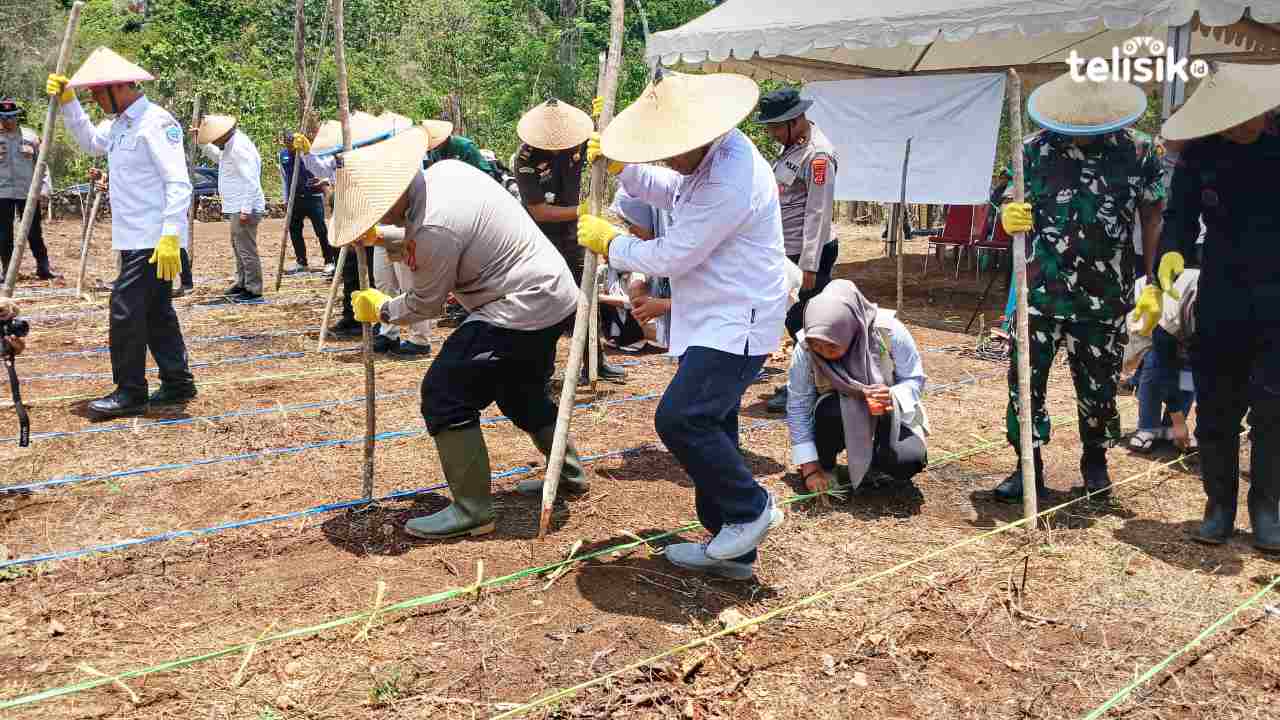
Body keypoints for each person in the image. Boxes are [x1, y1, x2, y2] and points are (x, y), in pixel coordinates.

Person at [581, 70, 789, 580]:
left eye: (674, 149)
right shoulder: (709, 157)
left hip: (738, 318)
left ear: (703, 134)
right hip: (718, 312)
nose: (669, 159)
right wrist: (626, 169)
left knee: (682, 419)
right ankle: (733, 549)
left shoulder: (731, 175)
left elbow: (674, 254)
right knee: (715, 424)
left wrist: (611, 244)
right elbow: (675, 191)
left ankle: (749, 510)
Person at [335, 127, 587, 538]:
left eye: (379, 212)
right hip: (549, 291)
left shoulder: (434, 226)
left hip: (519, 303)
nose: (378, 220)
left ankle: (473, 510)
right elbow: (443, 235)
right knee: (519, 393)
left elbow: (424, 304)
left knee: (445, 395)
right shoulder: (445, 173)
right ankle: (570, 474)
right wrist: (385, 236)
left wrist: (380, 308)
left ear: (396, 193)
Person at [993, 71, 1164, 503]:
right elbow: (1005, 198)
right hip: (1039, 293)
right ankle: (1026, 464)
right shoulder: (1031, 150)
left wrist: (1155, 282)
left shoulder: (1139, 151)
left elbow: (1153, 215)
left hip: (1104, 296)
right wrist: (1007, 215)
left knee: (1100, 388)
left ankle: (1095, 461)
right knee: (1025, 382)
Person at [1137, 63, 1280, 552]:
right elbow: (1177, 217)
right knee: (1217, 411)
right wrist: (1171, 254)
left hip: (1277, 302)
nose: (1243, 126)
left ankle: (1267, 508)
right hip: (1219, 298)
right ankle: (1218, 505)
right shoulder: (1201, 156)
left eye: (1251, 117)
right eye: (1232, 119)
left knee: (1272, 411)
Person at [46, 47, 196, 419]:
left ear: (120, 88)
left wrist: (171, 236)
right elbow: (90, 143)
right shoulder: (119, 125)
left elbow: (179, 183)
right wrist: (68, 103)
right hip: (134, 237)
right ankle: (178, 382)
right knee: (156, 311)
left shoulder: (156, 123)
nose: (94, 99)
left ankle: (130, 391)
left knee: (125, 310)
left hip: (153, 238)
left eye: (97, 92)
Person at [514, 98, 626, 384]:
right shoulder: (525, 159)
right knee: (547, 306)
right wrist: (580, 210)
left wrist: (605, 119)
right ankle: (542, 370)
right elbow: (538, 210)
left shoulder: (578, 141)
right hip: (542, 242)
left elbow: (609, 143)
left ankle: (594, 362)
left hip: (575, 236)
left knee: (586, 300)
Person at [786, 279, 928, 496]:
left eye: (832, 345)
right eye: (818, 344)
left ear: (850, 329)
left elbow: (914, 379)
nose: (823, 352)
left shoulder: (888, 332)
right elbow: (798, 404)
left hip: (887, 412)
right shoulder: (806, 346)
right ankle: (827, 464)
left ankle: (879, 461)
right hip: (834, 417)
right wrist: (810, 468)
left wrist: (893, 395)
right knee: (831, 409)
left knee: (906, 460)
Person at [756, 88, 840, 414]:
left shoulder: (818, 155)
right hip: (787, 249)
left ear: (795, 120)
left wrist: (809, 266)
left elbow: (818, 213)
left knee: (802, 322)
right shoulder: (794, 147)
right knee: (797, 321)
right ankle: (809, 383)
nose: (772, 133)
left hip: (808, 254)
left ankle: (811, 388)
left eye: (777, 126)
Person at [294, 113, 388, 337]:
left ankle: (374, 318)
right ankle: (351, 315)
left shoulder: (376, 154)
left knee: (370, 270)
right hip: (347, 216)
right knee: (348, 268)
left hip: (369, 216)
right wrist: (306, 153)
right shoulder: (340, 153)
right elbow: (321, 169)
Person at [368, 115, 453, 357]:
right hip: (380, 230)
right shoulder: (373, 164)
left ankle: (419, 338)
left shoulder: (408, 163)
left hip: (406, 229)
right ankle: (388, 331)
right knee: (383, 282)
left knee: (409, 284)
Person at [1125, 269, 1198, 453]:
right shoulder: (1172, 316)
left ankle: (1169, 428)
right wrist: (1180, 424)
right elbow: (1164, 365)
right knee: (1153, 370)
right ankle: (1148, 428)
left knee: (1188, 378)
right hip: (1155, 312)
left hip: (1185, 325)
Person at [195, 115, 266, 301]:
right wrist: (202, 143)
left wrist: (245, 209)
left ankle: (253, 289)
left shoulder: (239, 147)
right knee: (238, 246)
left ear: (222, 135)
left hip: (245, 206)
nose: (214, 141)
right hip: (237, 205)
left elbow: (251, 180)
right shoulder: (230, 145)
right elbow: (220, 159)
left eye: (214, 138)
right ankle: (242, 282)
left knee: (246, 248)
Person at [597, 188, 671, 353]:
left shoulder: (687, 248)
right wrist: (642, 288)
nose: (631, 231)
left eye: (632, 223)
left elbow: (715, 295)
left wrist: (665, 305)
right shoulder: (656, 252)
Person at [0, 98, 56, 280]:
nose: (7, 120)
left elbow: (42, 165)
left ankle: (43, 267)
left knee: (34, 232)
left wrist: (44, 189)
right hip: (3, 194)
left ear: (17, 116)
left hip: (28, 193)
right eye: (3, 117)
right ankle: (8, 270)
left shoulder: (30, 137)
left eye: (11, 116)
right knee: (4, 234)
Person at [279, 130, 336, 274]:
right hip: (295, 197)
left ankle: (329, 260)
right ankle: (301, 261)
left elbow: (321, 169)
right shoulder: (283, 156)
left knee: (321, 230)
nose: (289, 145)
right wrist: (286, 199)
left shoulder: (309, 153)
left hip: (313, 196)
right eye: (286, 142)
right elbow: (284, 178)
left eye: (291, 141)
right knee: (294, 229)